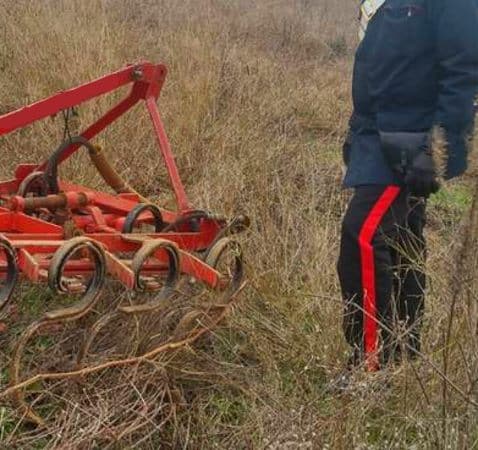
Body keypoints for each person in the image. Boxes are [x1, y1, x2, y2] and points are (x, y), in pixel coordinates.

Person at [338, 0, 478, 375]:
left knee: (362, 235)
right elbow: (375, 62)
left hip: (411, 139)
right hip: (376, 131)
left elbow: (462, 68)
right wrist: (356, 128)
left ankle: (369, 366)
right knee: (404, 237)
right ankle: (404, 352)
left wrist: (439, 145)